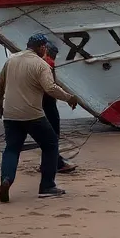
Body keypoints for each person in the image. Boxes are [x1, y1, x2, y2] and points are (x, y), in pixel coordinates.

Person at [0, 33, 78, 202]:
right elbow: (50, 88)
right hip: (32, 115)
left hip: (10, 114)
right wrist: (69, 98)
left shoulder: (12, 59)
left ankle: (7, 180)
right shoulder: (41, 64)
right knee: (50, 144)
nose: (45, 50)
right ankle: (47, 186)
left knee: (11, 149)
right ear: (40, 47)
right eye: (45, 47)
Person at [41, 42, 76, 174]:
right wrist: (67, 98)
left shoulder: (36, 63)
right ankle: (57, 163)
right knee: (53, 134)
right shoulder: (48, 63)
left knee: (46, 135)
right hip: (48, 102)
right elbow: (51, 87)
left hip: (37, 103)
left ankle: (46, 163)